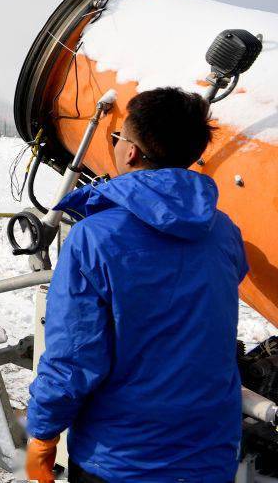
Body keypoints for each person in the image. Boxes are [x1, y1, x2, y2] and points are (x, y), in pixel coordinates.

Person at [26, 87, 246, 483]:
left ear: (130, 152)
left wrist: (42, 434)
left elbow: (73, 359)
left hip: (120, 460)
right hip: (209, 457)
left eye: (118, 137)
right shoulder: (224, 232)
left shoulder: (93, 239)